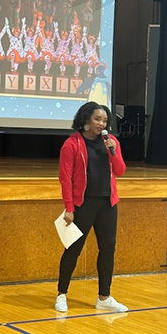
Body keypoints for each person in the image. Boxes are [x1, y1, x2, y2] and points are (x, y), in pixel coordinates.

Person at [55, 101, 128, 313]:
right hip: (83, 204)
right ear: (86, 119)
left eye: (105, 120)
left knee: (108, 249)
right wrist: (69, 208)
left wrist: (112, 152)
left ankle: (104, 297)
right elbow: (65, 178)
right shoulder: (72, 144)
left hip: (107, 203)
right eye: (97, 119)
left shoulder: (111, 141)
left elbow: (121, 171)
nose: (101, 123)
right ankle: (62, 294)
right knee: (73, 249)